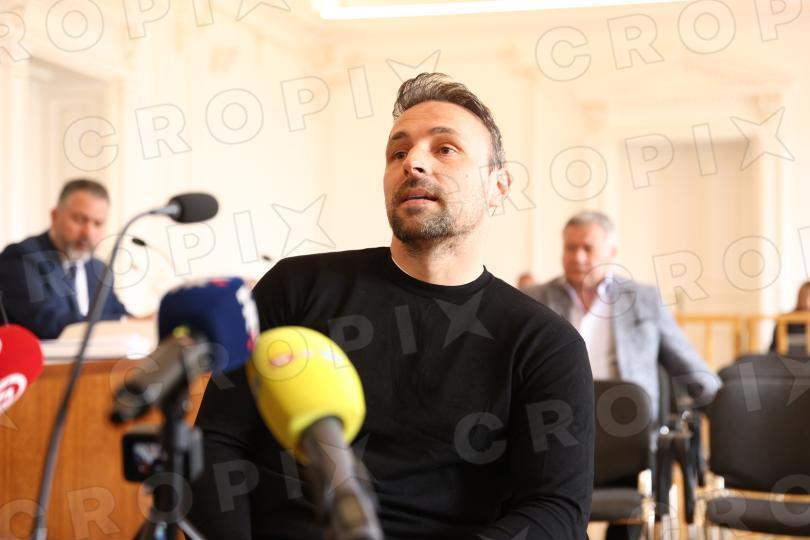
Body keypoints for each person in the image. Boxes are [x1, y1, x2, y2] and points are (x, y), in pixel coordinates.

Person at [189, 73, 594, 539]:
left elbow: (555, 510)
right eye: (398, 153)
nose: (413, 162)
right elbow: (217, 443)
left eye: (445, 149)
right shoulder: (294, 287)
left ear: (498, 187)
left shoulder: (545, 344)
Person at [522, 211, 720, 539]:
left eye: (588, 248)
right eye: (570, 248)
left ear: (611, 251)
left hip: (626, 435)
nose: (578, 257)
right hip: (555, 432)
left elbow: (689, 366)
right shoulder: (535, 299)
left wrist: (725, 408)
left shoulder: (644, 300)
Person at [0, 179, 128, 339]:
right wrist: (118, 324)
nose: (88, 232)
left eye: (98, 223)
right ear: (55, 216)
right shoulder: (20, 258)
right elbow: (48, 323)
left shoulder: (99, 270)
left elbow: (118, 314)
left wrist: (141, 321)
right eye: (79, 219)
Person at [769, 281, 810, 355]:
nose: (807, 303)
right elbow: (773, 350)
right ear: (799, 298)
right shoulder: (785, 320)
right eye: (805, 297)